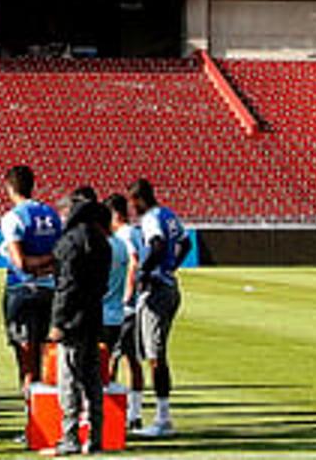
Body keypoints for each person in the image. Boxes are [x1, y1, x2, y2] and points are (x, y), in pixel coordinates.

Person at [48, 193, 114, 456]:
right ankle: (96, 437)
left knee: (69, 380)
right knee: (92, 380)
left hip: (72, 321)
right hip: (93, 316)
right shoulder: (102, 242)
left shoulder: (70, 242)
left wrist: (57, 321)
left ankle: (70, 437)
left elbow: (66, 286)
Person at [128, 179, 190, 439]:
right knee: (155, 353)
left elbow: (157, 244)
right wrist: (172, 266)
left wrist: (145, 270)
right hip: (170, 286)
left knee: (155, 355)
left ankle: (164, 418)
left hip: (157, 290)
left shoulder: (152, 218)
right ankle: (162, 416)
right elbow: (186, 243)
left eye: (133, 204)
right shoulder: (169, 214)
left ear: (138, 200)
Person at [0, 165, 63, 394]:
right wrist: (47, 264)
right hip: (49, 289)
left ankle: (33, 423)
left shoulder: (12, 217)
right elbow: (60, 255)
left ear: (9, 187)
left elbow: (20, 263)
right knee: (46, 356)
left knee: (26, 361)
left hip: (22, 290)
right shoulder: (52, 214)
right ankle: (46, 414)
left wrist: (33, 267)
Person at [103, 193, 145, 430]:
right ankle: (134, 413)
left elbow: (133, 262)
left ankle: (117, 412)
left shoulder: (124, 235)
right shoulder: (136, 232)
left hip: (124, 308)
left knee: (111, 360)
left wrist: (127, 295)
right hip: (134, 306)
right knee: (132, 359)